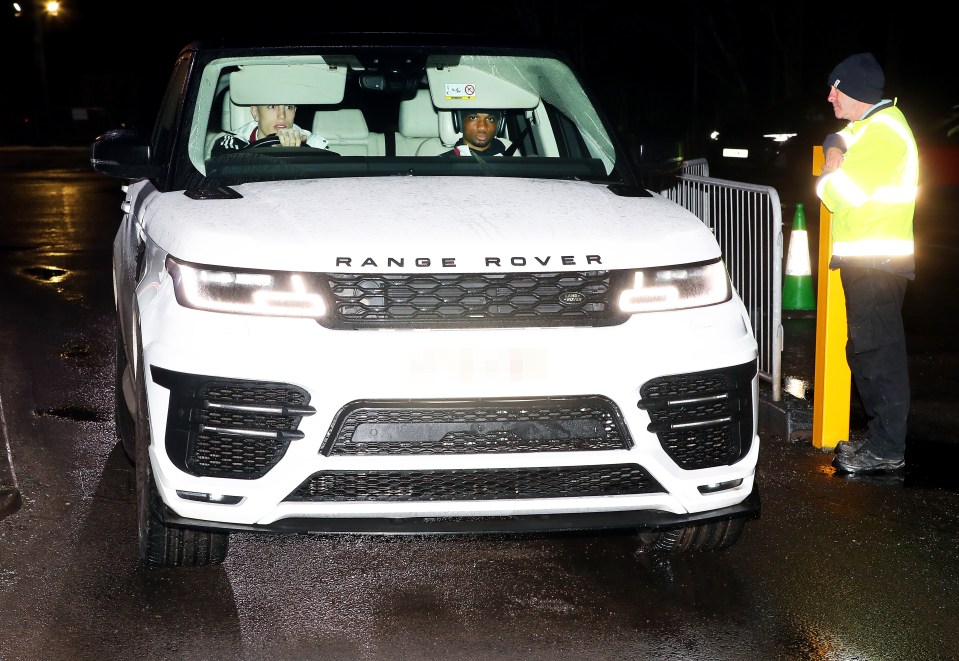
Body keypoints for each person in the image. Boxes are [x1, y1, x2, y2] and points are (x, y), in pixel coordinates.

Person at [816, 53, 919, 474]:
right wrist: (834, 146)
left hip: (878, 260)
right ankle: (882, 441)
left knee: (879, 355)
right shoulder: (870, 126)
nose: (830, 97)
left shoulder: (882, 135)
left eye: (835, 89)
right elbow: (839, 136)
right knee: (866, 351)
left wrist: (826, 174)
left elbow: (836, 195)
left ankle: (886, 449)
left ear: (854, 91)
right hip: (869, 259)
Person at [210, 103, 329, 155]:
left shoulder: (312, 144)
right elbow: (224, 167)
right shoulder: (232, 142)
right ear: (255, 112)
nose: (282, 115)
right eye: (272, 106)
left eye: (288, 107)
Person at [443, 110, 509, 156]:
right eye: (473, 118)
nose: (482, 127)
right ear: (460, 123)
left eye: (490, 119)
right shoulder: (442, 165)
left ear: (499, 126)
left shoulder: (513, 159)